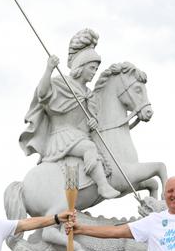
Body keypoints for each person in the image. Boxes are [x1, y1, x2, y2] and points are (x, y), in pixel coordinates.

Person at [19, 28, 120, 199]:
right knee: (89, 147)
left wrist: (93, 124)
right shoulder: (62, 83)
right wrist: (49, 69)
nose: (94, 72)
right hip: (62, 136)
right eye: (92, 68)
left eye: (96, 69)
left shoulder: (88, 94)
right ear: (81, 67)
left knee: (94, 146)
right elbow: (43, 94)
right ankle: (103, 186)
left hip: (79, 135)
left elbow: (89, 121)